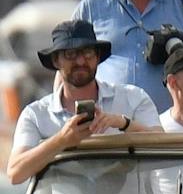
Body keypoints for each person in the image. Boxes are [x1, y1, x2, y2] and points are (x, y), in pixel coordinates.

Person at [8, 19, 162, 184]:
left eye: (87, 53)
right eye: (70, 54)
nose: (80, 61)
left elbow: (164, 147)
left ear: (97, 57)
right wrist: (61, 140)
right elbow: (15, 173)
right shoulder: (36, 114)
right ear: (55, 61)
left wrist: (122, 123)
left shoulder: (133, 98)